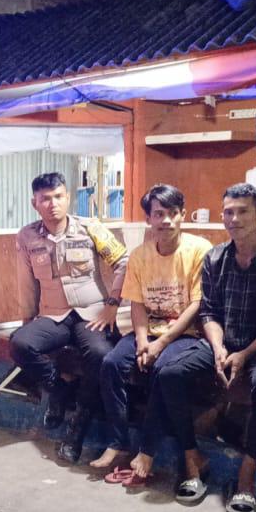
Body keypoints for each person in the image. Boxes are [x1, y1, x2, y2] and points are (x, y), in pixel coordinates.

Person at [159, 182, 256, 512]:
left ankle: (247, 472)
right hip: (223, 342)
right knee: (169, 373)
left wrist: (244, 354)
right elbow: (209, 311)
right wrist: (219, 347)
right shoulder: (215, 257)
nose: (234, 219)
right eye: (228, 212)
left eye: (242, 211)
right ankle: (192, 457)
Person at [90, 184, 214, 494]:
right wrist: (143, 339)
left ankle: (147, 450)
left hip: (186, 333)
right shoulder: (140, 255)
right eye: (159, 214)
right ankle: (118, 442)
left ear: (183, 215)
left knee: (162, 371)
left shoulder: (200, 250)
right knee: (111, 363)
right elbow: (137, 304)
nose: (166, 221)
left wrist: (161, 343)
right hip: (150, 330)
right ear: (149, 219)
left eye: (173, 213)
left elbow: (197, 305)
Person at [11, 171, 129, 463]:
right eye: (45, 199)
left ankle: (77, 428)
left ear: (68, 197)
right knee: (20, 343)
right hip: (53, 315)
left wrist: (112, 305)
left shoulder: (90, 228)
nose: (53, 204)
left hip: (92, 313)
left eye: (58, 197)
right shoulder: (27, 236)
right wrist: (28, 321)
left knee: (100, 355)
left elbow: (124, 262)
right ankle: (60, 389)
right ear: (34, 203)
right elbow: (27, 283)